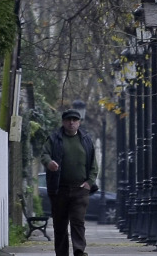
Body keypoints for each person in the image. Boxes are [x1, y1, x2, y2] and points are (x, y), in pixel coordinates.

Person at [40, 109, 98, 256]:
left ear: (79, 122)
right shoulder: (54, 139)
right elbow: (44, 153)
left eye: (74, 120)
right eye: (68, 120)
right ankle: (61, 253)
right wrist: (49, 163)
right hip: (59, 189)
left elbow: (93, 164)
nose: (71, 123)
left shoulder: (86, 139)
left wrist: (89, 183)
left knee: (78, 221)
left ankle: (79, 251)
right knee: (60, 225)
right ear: (63, 122)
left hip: (80, 189)